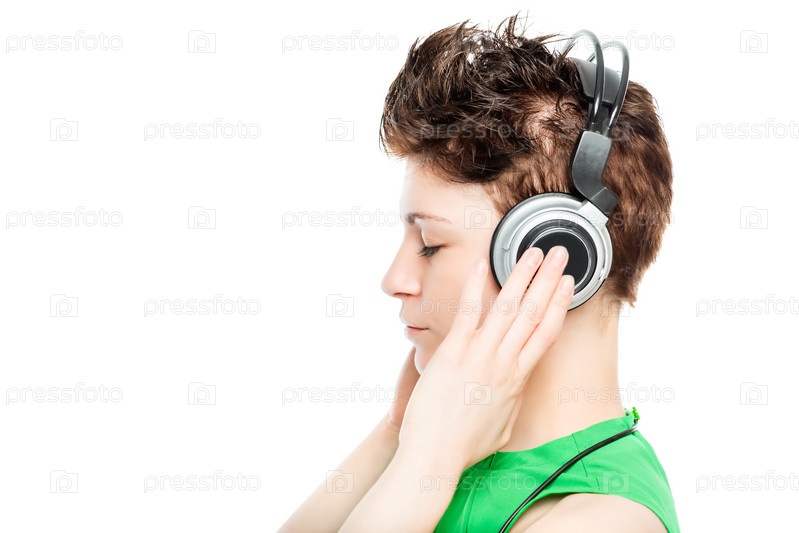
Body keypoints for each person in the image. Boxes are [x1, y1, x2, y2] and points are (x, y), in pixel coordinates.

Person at [279, 13, 679, 532]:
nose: (393, 280)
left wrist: (429, 460)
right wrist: (400, 434)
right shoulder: (436, 455)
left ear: (560, 254)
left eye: (431, 244)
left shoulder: (604, 519)